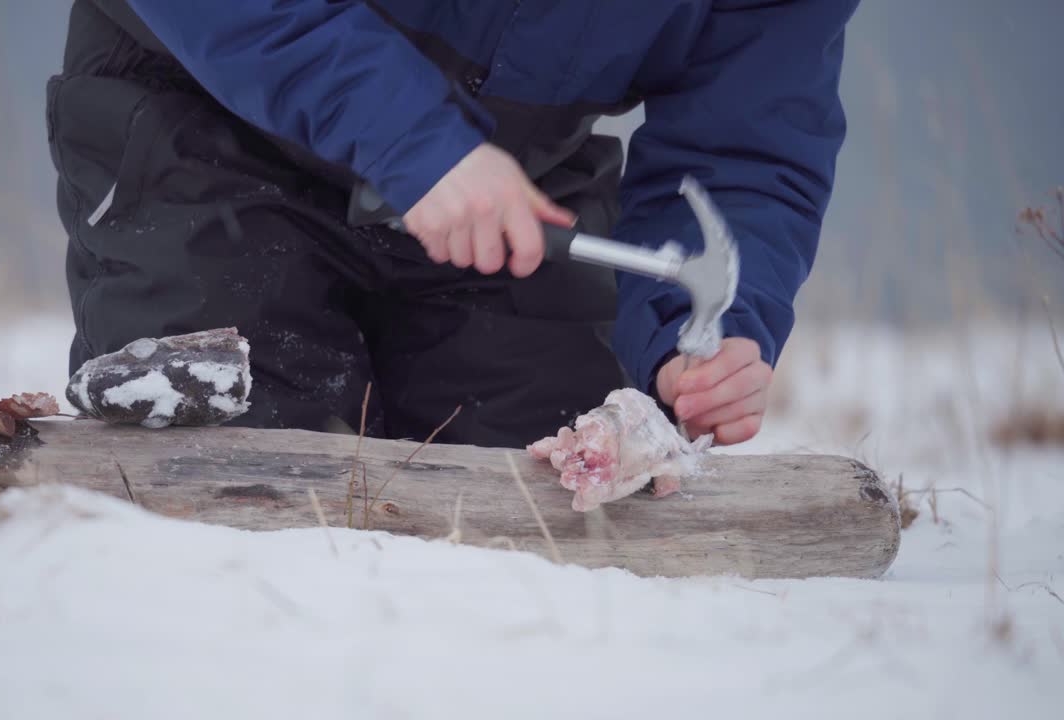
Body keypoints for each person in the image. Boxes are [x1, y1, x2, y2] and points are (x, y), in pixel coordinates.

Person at [47, 0, 858, 447]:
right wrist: (409, 139)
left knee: (559, 490)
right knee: (242, 458)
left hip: (507, 186)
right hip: (208, 110)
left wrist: (698, 336)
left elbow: (743, 151)